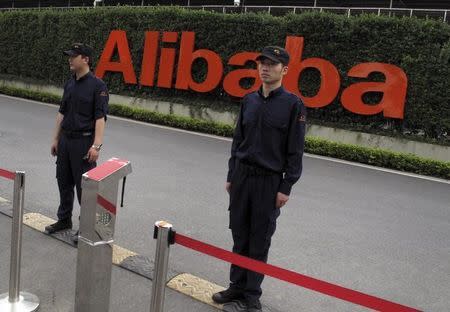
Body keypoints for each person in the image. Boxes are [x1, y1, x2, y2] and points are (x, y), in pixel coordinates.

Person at [212, 46, 306, 312]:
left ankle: (252, 294)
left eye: (272, 64)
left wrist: (286, 186)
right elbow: (238, 140)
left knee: (260, 238)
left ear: (284, 70)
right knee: (239, 233)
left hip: (269, 181)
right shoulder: (249, 100)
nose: (265, 68)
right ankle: (236, 287)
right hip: (242, 177)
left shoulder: (293, 105)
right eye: (262, 63)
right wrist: (232, 175)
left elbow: (295, 150)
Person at [45, 43, 109, 239]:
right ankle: (64, 219)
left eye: (74, 56)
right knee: (63, 181)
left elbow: (100, 118)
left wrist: (96, 145)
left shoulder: (98, 86)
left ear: (85, 59)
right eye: (69, 56)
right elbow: (62, 112)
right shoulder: (70, 83)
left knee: (85, 188)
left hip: (83, 142)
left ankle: (87, 228)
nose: (70, 59)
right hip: (66, 141)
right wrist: (56, 138)